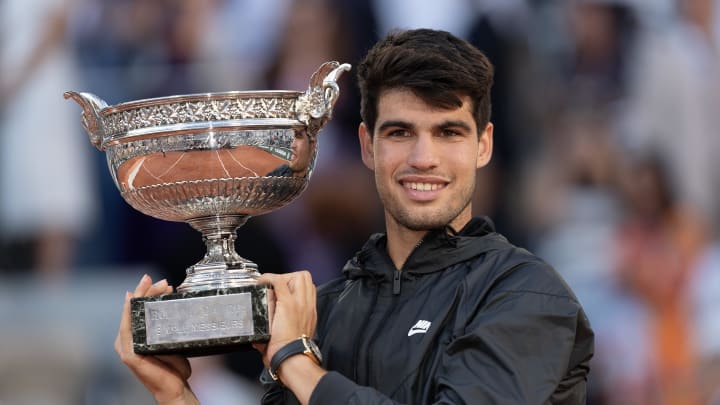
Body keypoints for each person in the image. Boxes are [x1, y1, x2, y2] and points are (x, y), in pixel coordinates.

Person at [115, 28, 594, 404]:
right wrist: (175, 395)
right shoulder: (329, 309)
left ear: (483, 145)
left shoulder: (524, 294)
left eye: (448, 132)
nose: (423, 158)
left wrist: (295, 362)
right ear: (368, 145)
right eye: (401, 132)